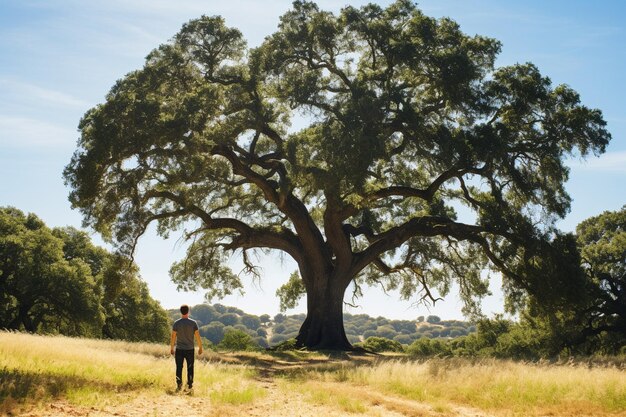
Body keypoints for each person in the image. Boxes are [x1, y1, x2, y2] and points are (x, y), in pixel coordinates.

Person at [170, 304, 203, 391]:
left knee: (179, 367)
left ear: (180, 311)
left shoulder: (176, 323)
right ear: (188, 311)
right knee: (190, 367)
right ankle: (190, 385)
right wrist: (200, 347)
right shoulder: (193, 323)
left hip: (179, 349)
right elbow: (197, 336)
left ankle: (179, 384)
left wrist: (172, 348)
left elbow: (173, 336)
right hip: (190, 350)